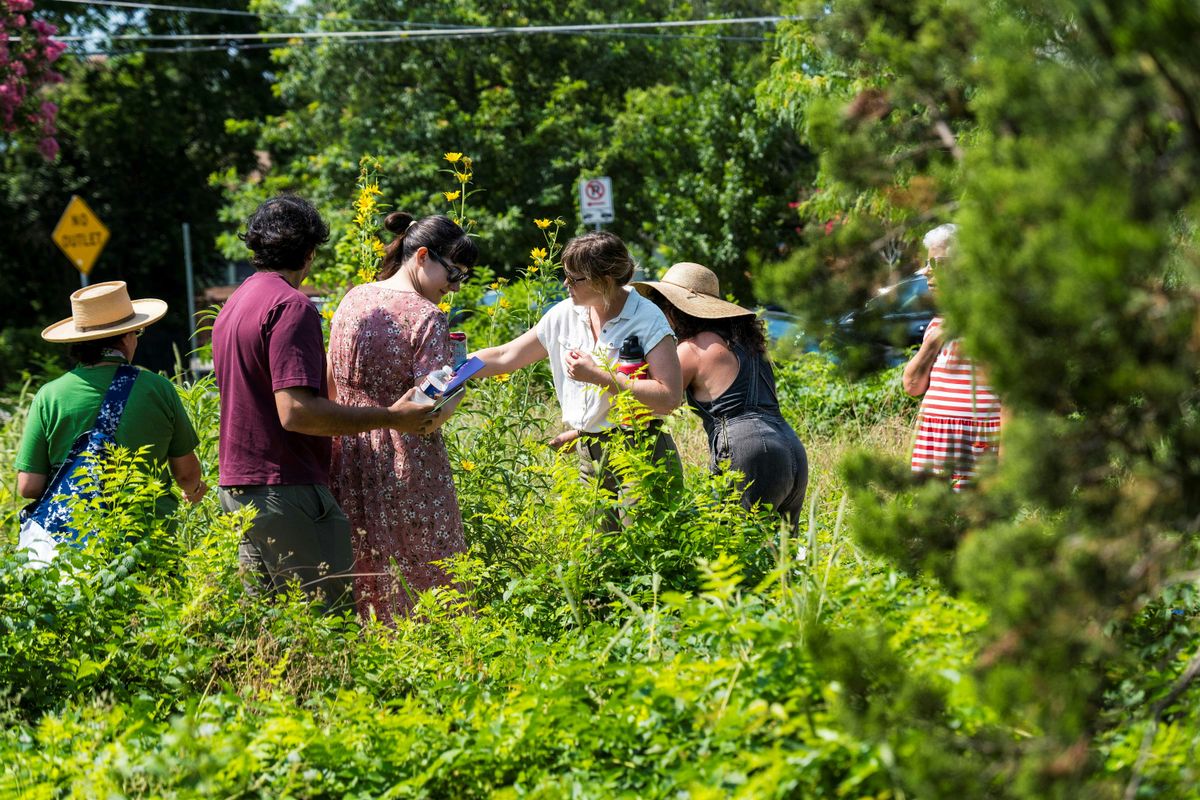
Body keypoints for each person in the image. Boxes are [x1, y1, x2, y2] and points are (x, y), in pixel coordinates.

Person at [211, 195, 444, 612]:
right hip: (287, 489)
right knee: (327, 622)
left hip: (236, 486)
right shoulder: (291, 306)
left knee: (270, 629)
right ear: (311, 252)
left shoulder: (235, 304)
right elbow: (296, 411)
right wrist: (392, 416)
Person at [327, 213, 475, 622]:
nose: (456, 286)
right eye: (454, 273)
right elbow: (433, 411)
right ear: (422, 256)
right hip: (404, 457)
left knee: (363, 562)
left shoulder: (353, 297)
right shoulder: (427, 316)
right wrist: (460, 390)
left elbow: (330, 382)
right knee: (421, 566)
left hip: (349, 447)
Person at [470, 231, 683, 505]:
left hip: (640, 450)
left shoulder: (647, 318)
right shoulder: (564, 314)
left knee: (640, 545)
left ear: (604, 281)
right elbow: (505, 356)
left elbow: (668, 397)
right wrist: (450, 366)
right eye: (565, 274)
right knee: (596, 547)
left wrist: (598, 376)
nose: (565, 283)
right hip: (590, 453)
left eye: (574, 278)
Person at [635, 262, 809, 523]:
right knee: (780, 555)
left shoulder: (691, 349)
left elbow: (656, 403)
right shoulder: (746, 343)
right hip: (791, 446)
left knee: (733, 550)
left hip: (748, 450)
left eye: (661, 306)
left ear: (673, 310)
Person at [16, 281, 207, 518]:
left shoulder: (49, 395)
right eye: (137, 332)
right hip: (151, 539)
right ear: (127, 337)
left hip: (74, 544)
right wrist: (195, 490)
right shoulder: (159, 389)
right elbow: (186, 476)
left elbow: (29, 486)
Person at [902, 223, 1002, 490]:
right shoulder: (937, 324)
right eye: (928, 263)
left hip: (973, 443)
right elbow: (912, 386)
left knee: (971, 522)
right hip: (934, 442)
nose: (928, 273)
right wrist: (931, 344)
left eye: (939, 263)